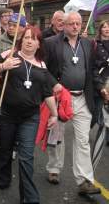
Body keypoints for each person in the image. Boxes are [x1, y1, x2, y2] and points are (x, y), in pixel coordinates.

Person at [0, 26, 58, 203]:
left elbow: (47, 92)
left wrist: (54, 114)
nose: (29, 41)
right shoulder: (11, 54)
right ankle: (3, 176)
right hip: (6, 114)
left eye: (33, 38)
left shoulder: (42, 65)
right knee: (6, 147)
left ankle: (29, 198)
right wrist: (3, 66)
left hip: (30, 118)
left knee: (26, 157)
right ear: (21, 40)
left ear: (39, 44)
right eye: (26, 37)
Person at [44, 11, 101, 196]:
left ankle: (84, 180)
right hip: (60, 99)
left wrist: (100, 88)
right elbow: (44, 69)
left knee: (83, 140)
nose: (75, 26)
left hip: (82, 98)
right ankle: (54, 168)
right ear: (64, 25)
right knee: (57, 136)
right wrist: (55, 84)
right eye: (71, 24)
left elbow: (91, 69)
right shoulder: (52, 43)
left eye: (78, 23)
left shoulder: (87, 43)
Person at [93, 19, 109, 144]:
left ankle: (106, 138)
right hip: (101, 79)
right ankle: (87, 127)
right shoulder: (95, 43)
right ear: (100, 29)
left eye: (108, 27)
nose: (107, 29)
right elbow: (92, 62)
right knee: (97, 109)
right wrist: (103, 63)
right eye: (104, 27)